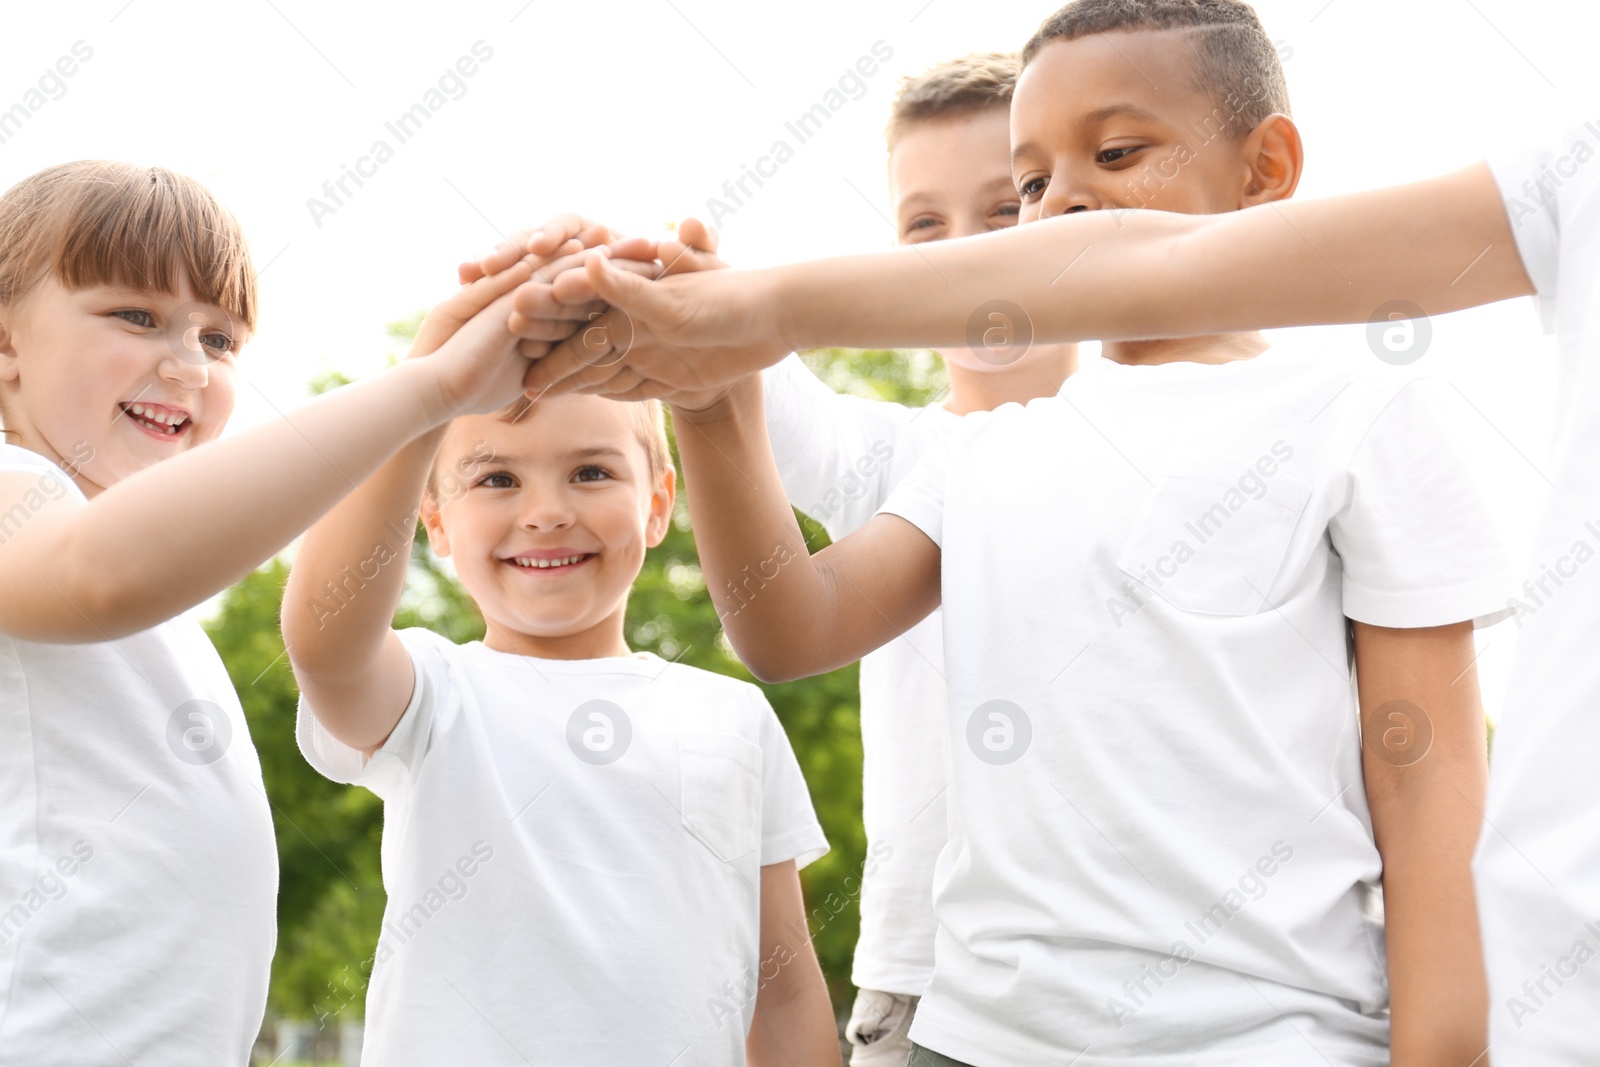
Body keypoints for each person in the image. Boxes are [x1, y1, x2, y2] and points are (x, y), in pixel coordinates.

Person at [501, 2, 1515, 1063]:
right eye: (1033, 182)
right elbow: (789, 627)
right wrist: (707, 404)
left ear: (1264, 167)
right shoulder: (984, 452)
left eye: (1115, 152)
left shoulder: (1358, 408)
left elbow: (1425, 777)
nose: (1062, 198)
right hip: (977, 1037)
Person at [0, 160, 546, 1061]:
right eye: (135, 316)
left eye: (221, 340)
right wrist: (427, 390)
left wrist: (433, 376)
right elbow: (101, 574)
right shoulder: (18, 491)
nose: (185, 364)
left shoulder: (145, 586)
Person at [281, 369, 839, 1062]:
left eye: (591, 472)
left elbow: (782, 984)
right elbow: (325, 639)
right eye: (496, 480)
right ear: (433, 520)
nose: (546, 510)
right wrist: (428, 385)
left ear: (658, 503)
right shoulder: (431, 689)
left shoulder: (734, 715)